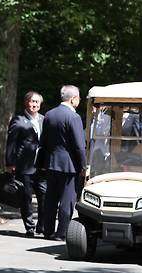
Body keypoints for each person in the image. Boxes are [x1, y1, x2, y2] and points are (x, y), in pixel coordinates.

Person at [37, 85, 85, 241]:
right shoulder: (74, 117)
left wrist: (42, 162)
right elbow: (79, 145)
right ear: (73, 99)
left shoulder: (49, 114)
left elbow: (43, 141)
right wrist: (83, 166)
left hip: (51, 162)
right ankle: (62, 232)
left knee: (50, 198)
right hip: (69, 165)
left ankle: (48, 230)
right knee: (67, 199)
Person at [5, 91, 47, 237]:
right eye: (32, 101)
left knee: (44, 195)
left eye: (37, 102)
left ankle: (42, 225)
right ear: (26, 102)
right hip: (24, 166)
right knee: (26, 197)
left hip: (41, 166)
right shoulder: (18, 120)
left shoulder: (44, 120)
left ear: (40, 104)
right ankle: (30, 226)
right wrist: (10, 162)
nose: (34, 104)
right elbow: (11, 143)